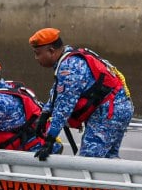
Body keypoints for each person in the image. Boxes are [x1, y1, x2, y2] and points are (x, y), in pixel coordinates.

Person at [28, 27, 133, 160]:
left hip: (108, 113)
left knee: (88, 161)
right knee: (108, 158)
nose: (36, 58)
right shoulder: (69, 59)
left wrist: (50, 140)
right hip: (117, 108)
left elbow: (64, 107)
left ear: (51, 51)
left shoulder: (70, 68)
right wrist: (45, 113)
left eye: (37, 53)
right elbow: (57, 92)